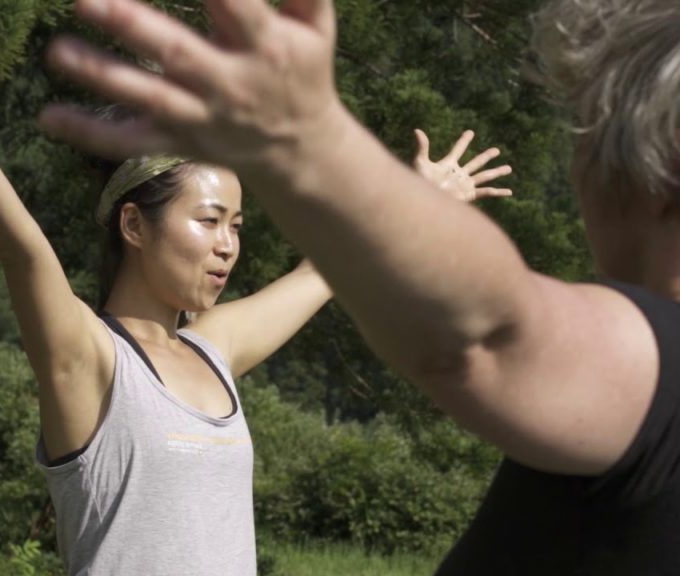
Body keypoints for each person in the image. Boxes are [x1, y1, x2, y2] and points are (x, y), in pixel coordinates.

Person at [39, 0, 680, 574]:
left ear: (656, 171)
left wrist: (309, 136)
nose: (577, 165)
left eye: (585, 133)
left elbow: (475, 341)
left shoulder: (658, 368)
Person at [0, 7, 510, 575]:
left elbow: (324, 269)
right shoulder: (89, 357)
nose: (228, 246)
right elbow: (25, 254)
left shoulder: (211, 348)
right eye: (209, 221)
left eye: (235, 227)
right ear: (134, 225)